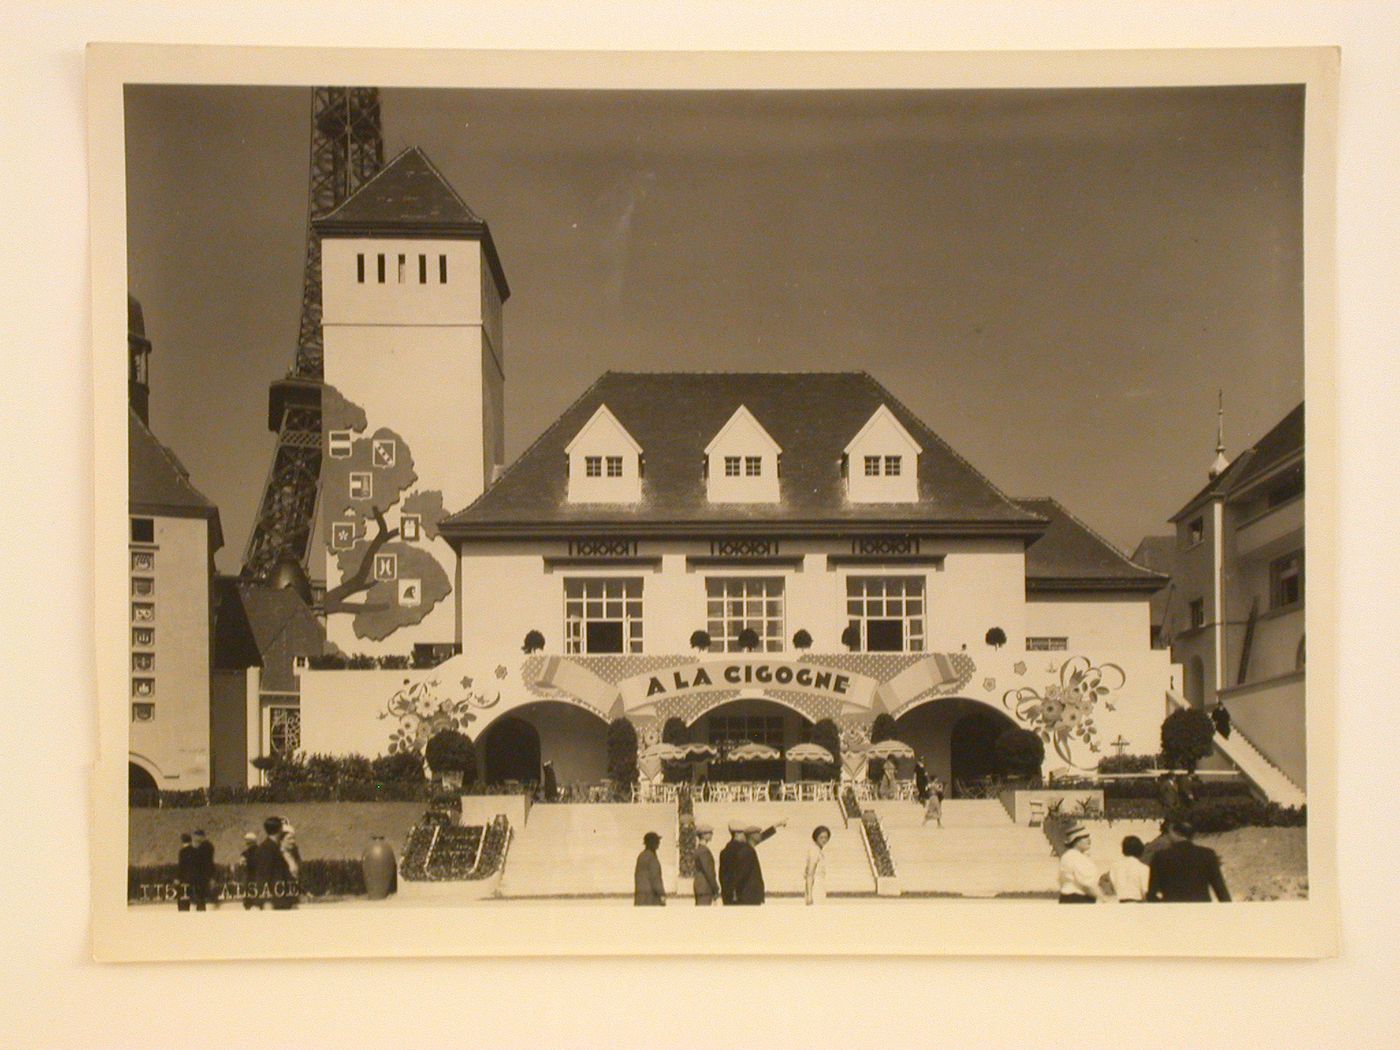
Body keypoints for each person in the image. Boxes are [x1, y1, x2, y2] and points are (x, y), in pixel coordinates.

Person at [1147, 820, 1231, 902]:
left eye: (1169, 832)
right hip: (1201, 909)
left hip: (1172, 910)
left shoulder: (1161, 856)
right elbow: (1220, 890)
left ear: (1175, 833)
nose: (1168, 835)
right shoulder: (1207, 854)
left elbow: (1152, 894)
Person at [719, 818, 788, 905]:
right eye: (743, 834)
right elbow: (739, 875)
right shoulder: (744, 850)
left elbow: (758, 838)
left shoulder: (725, 851)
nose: (746, 836)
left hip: (730, 896)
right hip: (744, 897)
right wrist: (734, 892)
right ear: (736, 834)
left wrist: (775, 826)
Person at [250, 816, 294, 910]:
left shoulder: (271, 847)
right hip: (273, 900)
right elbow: (263, 876)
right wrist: (264, 900)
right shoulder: (267, 849)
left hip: (280, 897)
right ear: (280, 829)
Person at [1057, 824, 1101, 903]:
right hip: (1079, 899)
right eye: (1084, 837)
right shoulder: (1076, 857)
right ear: (1075, 840)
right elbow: (1087, 885)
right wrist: (1103, 898)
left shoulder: (1068, 856)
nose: (1089, 840)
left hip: (1068, 898)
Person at [1107, 835, 1152, 902]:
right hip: (1136, 903)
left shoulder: (1115, 866)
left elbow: (1112, 886)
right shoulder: (1143, 867)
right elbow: (1144, 891)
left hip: (1120, 903)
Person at [633, 831, 666, 905]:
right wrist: (661, 894)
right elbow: (655, 878)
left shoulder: (641, 856)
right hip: (651, 898)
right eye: (657, 841)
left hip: (640, 896)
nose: (658, 843)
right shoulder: (652, 858)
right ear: (652, 843)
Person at [692, 823, 720, 906]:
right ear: (703, 835)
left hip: (700, 887)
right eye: (709, 833)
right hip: (705, 888)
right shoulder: (704, 851)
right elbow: (708, 871)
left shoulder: (699, 849)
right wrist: (715, 888)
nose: (712, 835)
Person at [188, 828, 215, 911]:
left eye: (196, 837)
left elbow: (206, 862)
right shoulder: (207, 846)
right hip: (202, 875)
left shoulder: (205, 846)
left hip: (202, 875)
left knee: (200, 897)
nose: (195, 839)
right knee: (200, 898)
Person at [804, 826, 831, 905]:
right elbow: (810, 874)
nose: (824, 840)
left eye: (826, 837)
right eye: (821, 837)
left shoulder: (819, 851)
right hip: (815, 886)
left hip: (820, 885)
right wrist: (809, 895)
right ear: (816, 838)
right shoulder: (814, 851)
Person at [175, 833, 196, 912]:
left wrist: (178, 878)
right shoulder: (195, 851)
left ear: (182, 841)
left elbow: (181, 867)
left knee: (183, 900)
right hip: (194, 880)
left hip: (184, 879)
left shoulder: (182, 852)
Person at [239, 832, 259, 910]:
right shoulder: (261, 851)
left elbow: (242, 865)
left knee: (248, 903)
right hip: (259, 879)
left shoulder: (245, 854)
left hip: (249, 879)